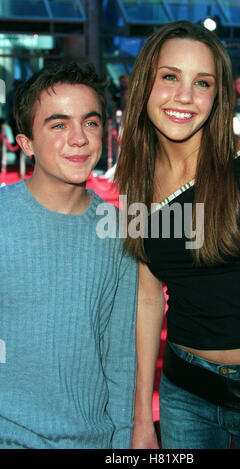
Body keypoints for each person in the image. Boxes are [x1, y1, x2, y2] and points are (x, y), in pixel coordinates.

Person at [114, 21, 240, 449]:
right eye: (170, 77)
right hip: (184, 394)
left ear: (218, 96)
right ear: (145, 84)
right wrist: (143, 417)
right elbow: (147, 296)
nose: (185, 96)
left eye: (202, 82)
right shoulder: (138, 180)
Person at [0, 63, 137, 449]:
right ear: (26, 143)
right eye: (58, 125)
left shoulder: (122, 230)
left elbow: (120, 354)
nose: (78, 138)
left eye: (90, 123)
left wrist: (122, 440)